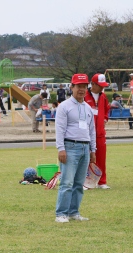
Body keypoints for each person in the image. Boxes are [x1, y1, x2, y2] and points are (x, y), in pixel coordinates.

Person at [55, 73, 96, 223]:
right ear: (72, 87)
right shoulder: (64, 107)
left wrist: (93, 150)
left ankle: (73, 212)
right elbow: (59, 128)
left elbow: (92, 130)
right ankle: (61, 213)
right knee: (67, 182)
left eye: (84, 87)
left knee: (79, 183)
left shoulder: (88, 108)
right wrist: (61, 148)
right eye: (79, 86)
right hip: (70, 146)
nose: (82, 90)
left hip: (85, 148)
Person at [84, 73, 111, 189]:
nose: (102, 88)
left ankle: (102, 182)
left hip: (100, 133)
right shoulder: (84, 96)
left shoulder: (103, 96)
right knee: (86, 157)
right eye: (100, 85)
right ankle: (85, 181)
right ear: (93, 84)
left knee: (101, 157)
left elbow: (106, 109)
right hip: (86, 133)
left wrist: (105, 118)